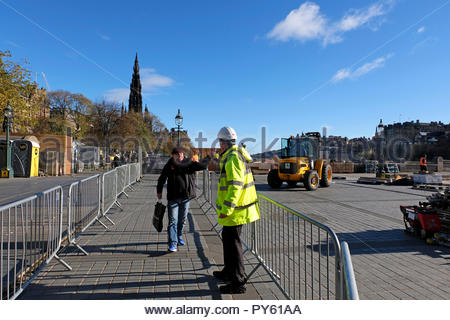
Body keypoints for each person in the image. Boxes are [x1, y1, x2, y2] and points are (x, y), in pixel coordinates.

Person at [213, 126, 260, 294]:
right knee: (228, 240)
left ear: (224, 142)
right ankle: (228, 272)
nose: (219, 146)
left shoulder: (232, 158)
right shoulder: (232, 155)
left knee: (234, 245)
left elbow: (235, 186)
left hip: (236, 211)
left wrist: (227, 208)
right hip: (237, 210)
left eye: (219, 143)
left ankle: (238, 282)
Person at [157, 147, 210, 252]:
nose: (179, 156)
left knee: (182, 220)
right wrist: (159, 192)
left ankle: (179, 235)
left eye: (181, 154)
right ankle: (173, 243)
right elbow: (162, 178)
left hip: (185, 198)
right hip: (173, 198)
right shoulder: (169, 165)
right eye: (177, 154)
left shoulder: (188, 164)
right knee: (172, 221)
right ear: (173, 155)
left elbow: (202, 166)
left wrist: (209, 157)